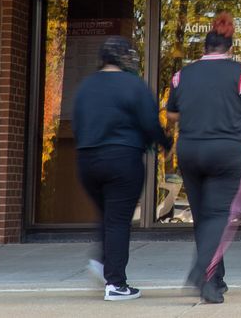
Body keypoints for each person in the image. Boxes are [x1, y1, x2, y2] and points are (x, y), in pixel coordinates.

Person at [166, 12, 241, 304]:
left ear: (204, 49)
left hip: (190, 150)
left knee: (203, 217)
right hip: (226, 151)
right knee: (218, 217)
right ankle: (202, 272)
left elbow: (172, 113)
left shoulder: (182, 75)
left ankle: (214, 281)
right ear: (230, 47)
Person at [72, 35, 171, 301]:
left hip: (87, 160)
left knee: (107, 214)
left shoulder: (86, 86)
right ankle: (115, 284)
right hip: (122, 159)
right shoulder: (133, 85)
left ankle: (103, 264)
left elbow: (76, 124)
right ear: (125, 58)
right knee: (117, 220)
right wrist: (165, 143)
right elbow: (150, 122)